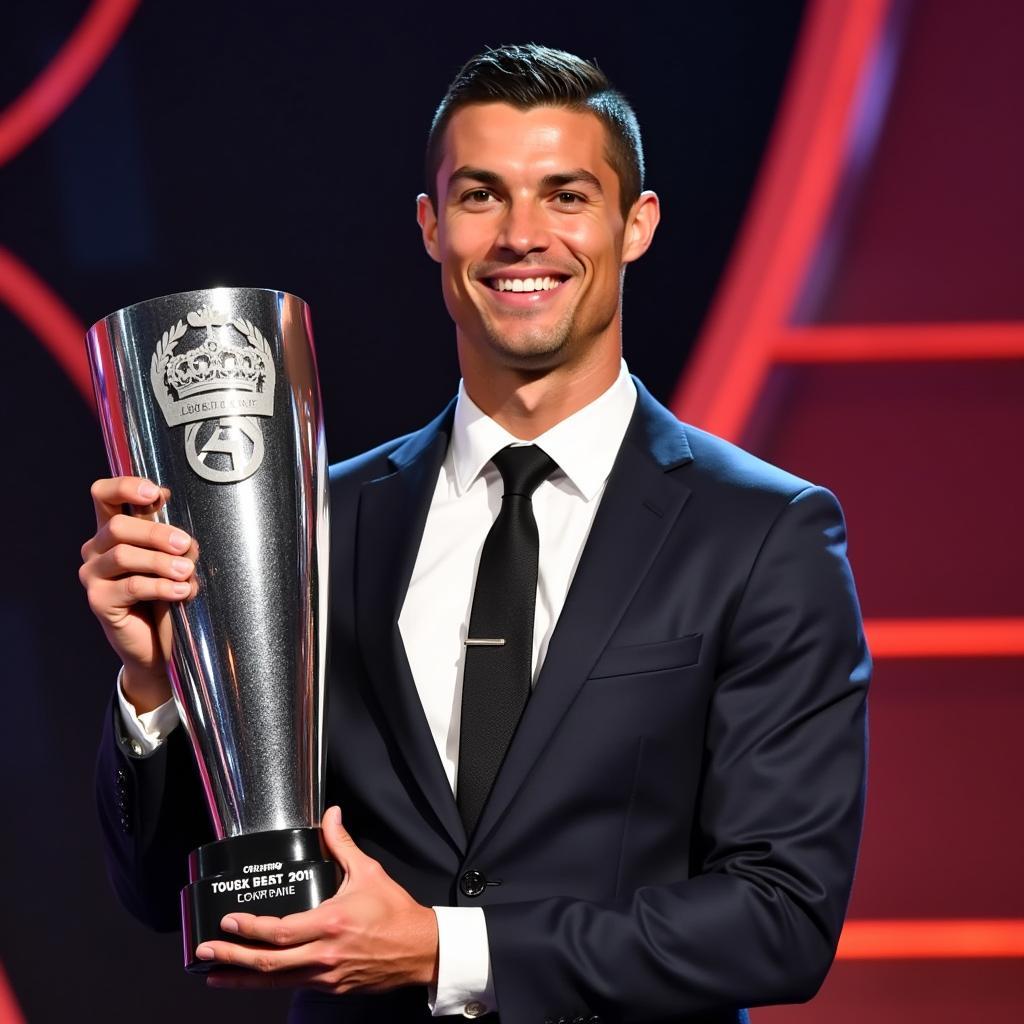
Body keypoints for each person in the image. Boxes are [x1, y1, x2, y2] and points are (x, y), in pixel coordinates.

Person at [81, 44, 870, 1024]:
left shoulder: (764, 532)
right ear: (431, 225)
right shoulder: (312, 524)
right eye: (482, 196)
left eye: (566, 196)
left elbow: (780, 919)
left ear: (636, 225)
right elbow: (174, 896)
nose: (521, 236)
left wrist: (447, 950)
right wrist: (157, 685)